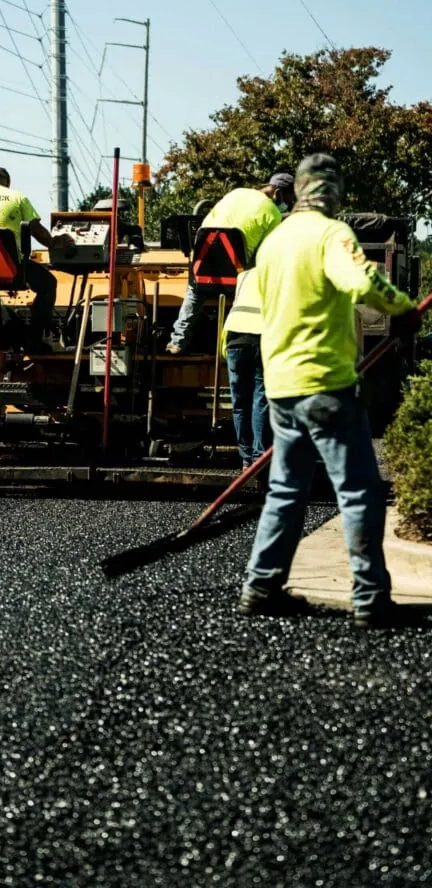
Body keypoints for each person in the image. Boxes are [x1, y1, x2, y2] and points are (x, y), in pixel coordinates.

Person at [239, 153, 420, 627]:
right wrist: (402, 308)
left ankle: (261, 585)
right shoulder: (331, 234)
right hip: (326, 383)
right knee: (359, 491)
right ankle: (370, 598)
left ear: (298, 190)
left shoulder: (274, 242)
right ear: (333, 192)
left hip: (281, 385)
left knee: (285, 488)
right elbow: (360, 280)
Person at [166, 171, 296, 355]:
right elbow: (265, 254)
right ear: (278, 193)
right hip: (237, 276)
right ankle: (236, 342)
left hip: (203, 267)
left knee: (194, 293)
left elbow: (206, 224)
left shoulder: (236, 193)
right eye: (290, 199)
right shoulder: (273, 213)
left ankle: (177, 341)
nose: (288, 205)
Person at [0, 167, 67, 352]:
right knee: (48, 283)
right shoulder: (16, 197)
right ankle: (33, 339)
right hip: (12, 269)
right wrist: (52, 243)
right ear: (6, 182)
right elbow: (35, 228)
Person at [220, 267, 271, 470]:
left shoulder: (244, 275)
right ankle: (259, 458)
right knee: (260, 399)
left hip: (235, 340)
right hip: (262, 338)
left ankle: (246, 458)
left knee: (240, 402)